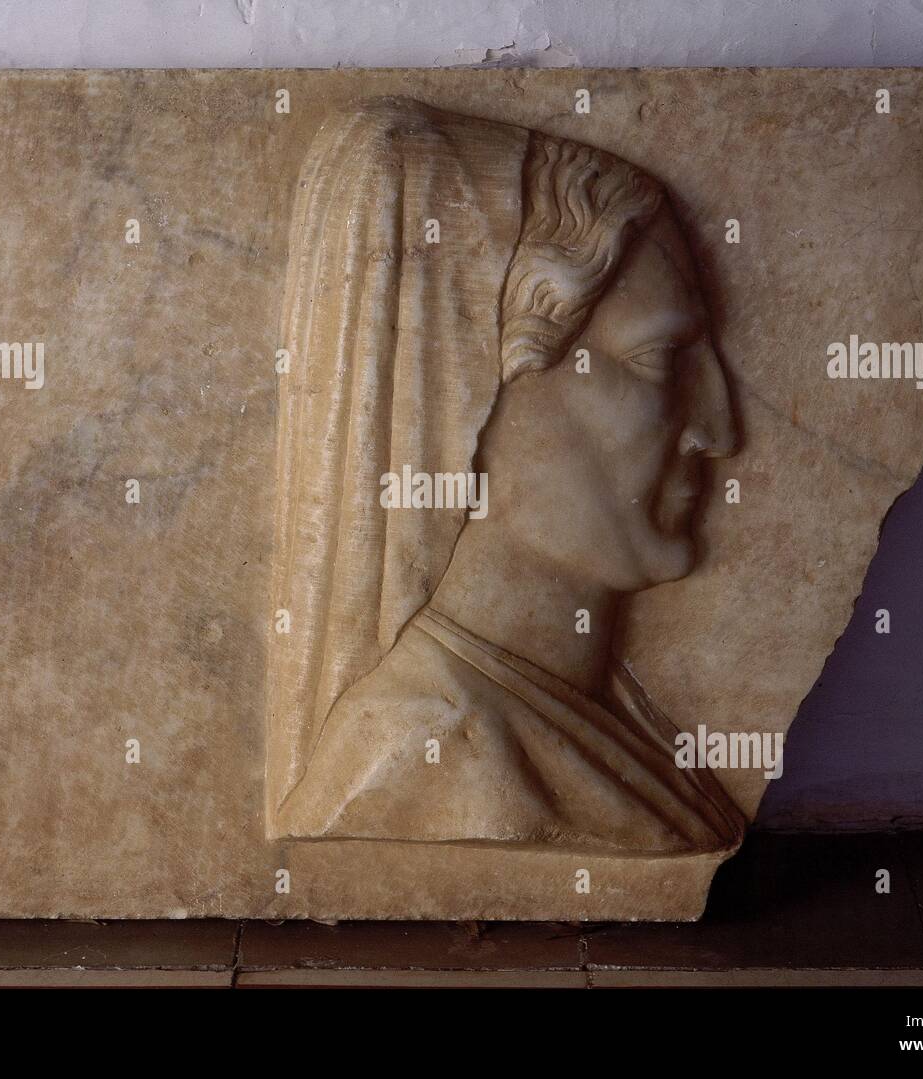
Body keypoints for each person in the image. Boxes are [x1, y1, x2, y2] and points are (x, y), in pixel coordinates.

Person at [267, 96, 744, 855]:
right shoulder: (435, 757)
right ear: (472, 398)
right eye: (661, 361)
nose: (719, 432)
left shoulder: (596, 713)